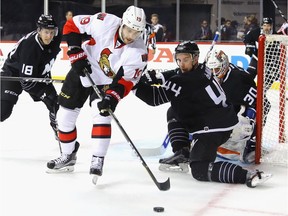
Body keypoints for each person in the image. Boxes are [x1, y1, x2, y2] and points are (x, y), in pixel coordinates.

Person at [134, 41, 272, 188]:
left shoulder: (186, 81)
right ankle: (182, 153)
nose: (181, 64)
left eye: (185, 59)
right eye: (179, 59)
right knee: (174, 110)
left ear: (195, 58)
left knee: (199, 169)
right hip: (219, 118)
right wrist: (157, 76)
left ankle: (248, 175)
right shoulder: (202, 69)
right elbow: (176, 73)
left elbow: (153, 98)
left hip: (213, 129)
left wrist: (132, 84)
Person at [46, 6, 147, 183]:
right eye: (129, 30)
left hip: (107, 81)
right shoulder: (104, 22)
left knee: (102, 116)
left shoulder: (139, 52)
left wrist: (112, 98)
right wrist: (75, 51)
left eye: (136, 33)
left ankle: (98, 159)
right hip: (83, 69)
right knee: (63, 117)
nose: (131, 36)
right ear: (122, 23)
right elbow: (71, 25)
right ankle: (68, 155)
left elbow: (127, 81)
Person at [0, 14, 61, 138]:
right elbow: (26, 82)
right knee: (3, 112)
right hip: (14, 74)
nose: (49, 36)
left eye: (51, 32)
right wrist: (43, 95)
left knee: (56, 103)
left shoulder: (56, 37)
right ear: (39, 31)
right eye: (46, 32)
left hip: (39, 73)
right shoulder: (30, 47)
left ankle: (59, 129)